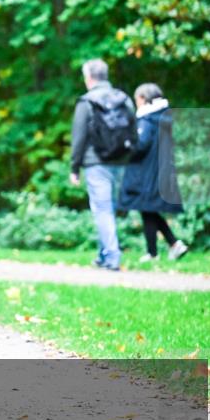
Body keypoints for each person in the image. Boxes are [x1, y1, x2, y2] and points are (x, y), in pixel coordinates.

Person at [69, 58, 135, 271]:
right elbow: (134, 130)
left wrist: (74, 167)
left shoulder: (86, 102)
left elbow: (79, 137)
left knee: (102, 209)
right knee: (109, 208)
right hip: (121, 161)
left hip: (95, 162)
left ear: (88, 78)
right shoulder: (124, 99)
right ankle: (102, 255)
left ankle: (113, 257)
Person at [118, 84, 188, 262]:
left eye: (137, 100)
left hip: (146, 173)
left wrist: (127, 144)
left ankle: (155, 252)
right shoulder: (164, 118)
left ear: (143, 99)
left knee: (147, 208)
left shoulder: (146, 120)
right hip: (160, 171)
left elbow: (141, 145)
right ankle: (170, 246)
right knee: (149, 210)